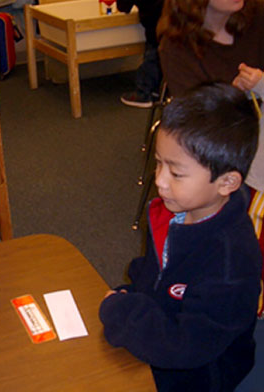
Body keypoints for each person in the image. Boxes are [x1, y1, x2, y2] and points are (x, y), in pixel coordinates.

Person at [99, 83, 262, 391]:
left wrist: (125, 313)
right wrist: (132, 295)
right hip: (159, 337)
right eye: (159, 163)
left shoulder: (231, 261)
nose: (158, 181)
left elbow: (188, 347)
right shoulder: (170, 213)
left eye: (176, 173)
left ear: (227, 182)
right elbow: (154, 273)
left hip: (200, 375)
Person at [158, 0, 264, 318]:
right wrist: (232, 97)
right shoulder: (176, 46)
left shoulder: (259, 17)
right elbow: (195, 133)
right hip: (233, 159)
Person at [117, 0, 164, 108]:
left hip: (153, 22)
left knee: (152, 56)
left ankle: (144, 92)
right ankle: (157, 89)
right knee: (160, 55)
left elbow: (123, 7)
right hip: (173, 20)